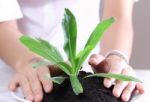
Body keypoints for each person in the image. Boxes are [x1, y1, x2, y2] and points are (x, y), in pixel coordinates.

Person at [0, 0, 144, 102]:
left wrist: (117, 56)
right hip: (22, 67)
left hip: (89, 65)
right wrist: (28, 60)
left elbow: (118, 14)